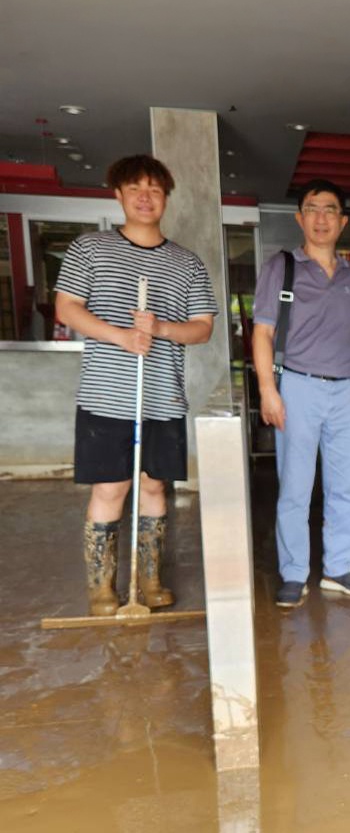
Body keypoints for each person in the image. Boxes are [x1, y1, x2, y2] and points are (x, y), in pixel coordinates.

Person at [54, 154, 216, 616]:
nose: (145, 198)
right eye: (135, 189)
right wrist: (123, 336)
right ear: (118, 195)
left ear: (166, 197)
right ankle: (103, 589)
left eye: (155, 190)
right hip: (106, 397)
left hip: (162, 398)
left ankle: (149, 581)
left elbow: (202, 328)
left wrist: (162, 329)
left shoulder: (186, 263)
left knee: (154, 488)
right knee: (110, 489)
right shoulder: (90, 249)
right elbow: (68, 309)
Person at [254, 179, 350, 608]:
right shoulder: (280, 267)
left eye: (330, 210)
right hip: (298, 385)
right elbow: (263, 333)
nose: (321, 218)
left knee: (345, 487)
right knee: (295, 487)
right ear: (300, 218)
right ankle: (294, 573)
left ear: (342, 221)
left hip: (346, 390)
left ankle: (339, 568)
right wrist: (269, 390)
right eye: (312, 209)